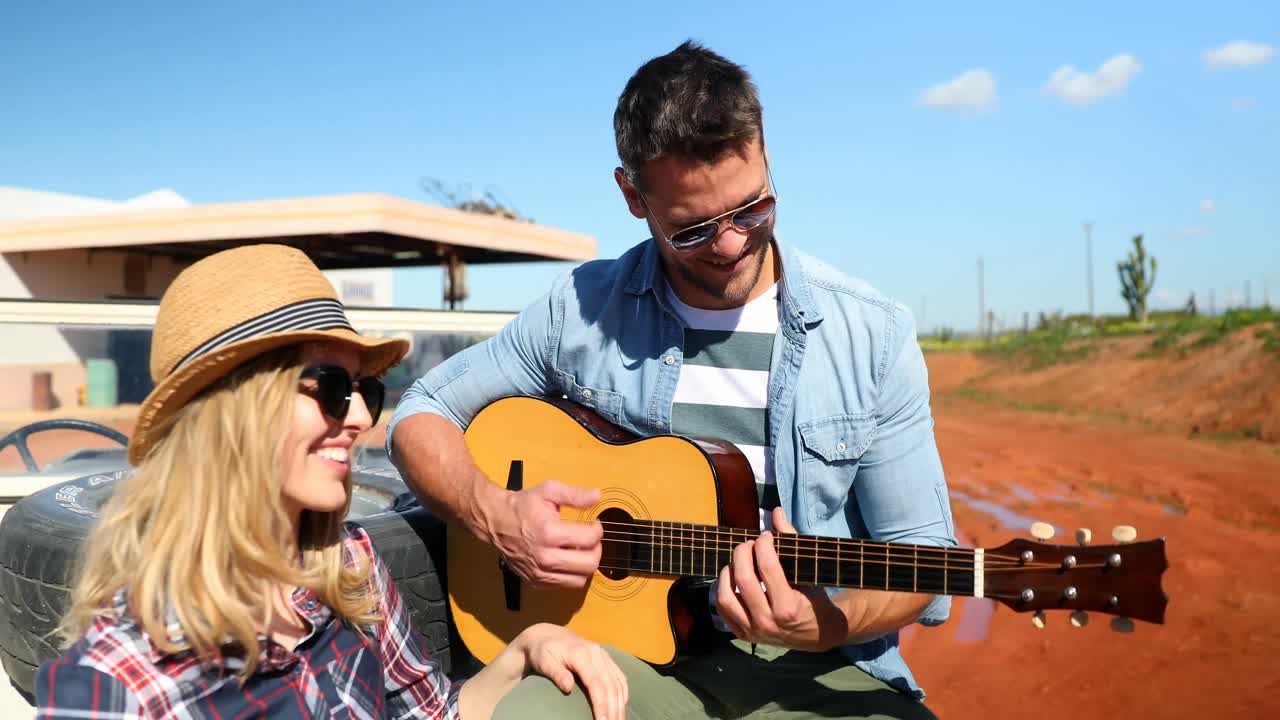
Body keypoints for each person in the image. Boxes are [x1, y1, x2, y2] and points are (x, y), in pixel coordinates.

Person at [389, 41, 956, 719]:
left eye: (752, 209)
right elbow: (420, 412)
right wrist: (498, 514)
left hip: (820, 669)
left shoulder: (873, 335)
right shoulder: (578, 310)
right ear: (633, 195)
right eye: (692, 229)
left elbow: (921, 557)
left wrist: (819, 625)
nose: (730, 245)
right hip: (622, 660)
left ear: (767, 154)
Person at [34, 244, 627, 720]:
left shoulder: (347, 567)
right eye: (331, 389)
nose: (363, 418)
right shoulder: (117, 683)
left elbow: (434, 713)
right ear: (233, 407)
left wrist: (528, 648)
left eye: (364, 392)